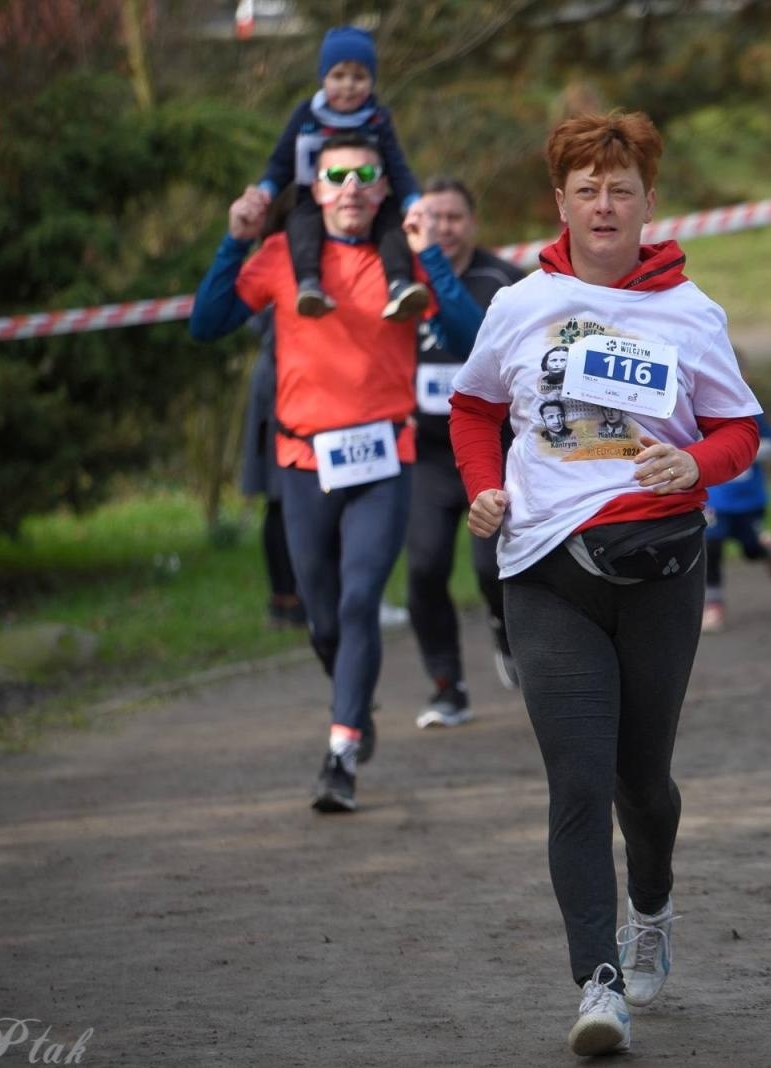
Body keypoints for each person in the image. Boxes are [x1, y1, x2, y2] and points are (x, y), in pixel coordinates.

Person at [449, 111, 761, 1057]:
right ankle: (599, 982)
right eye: (586, 189)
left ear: (647, 204)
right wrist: (486, 489)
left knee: (643, 783)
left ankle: (653, 900)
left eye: (620, 189)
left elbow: (738, 430)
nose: (604, 204)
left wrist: (695, 467)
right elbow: (472, 408)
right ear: (561, 204)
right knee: (578, 780)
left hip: (658, 565)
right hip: (544, 567)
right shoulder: (516, 305)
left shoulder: (689, 311)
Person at [191, 133, 465, 813]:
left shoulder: (402, 261)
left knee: (358, 598)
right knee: (321, 620)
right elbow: (206, 322)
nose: (350, 187)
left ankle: (340, 752)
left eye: (364, 175)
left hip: (382, 459)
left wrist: (429, 249)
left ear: (382, 189)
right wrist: (235, 241)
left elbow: (470, 335)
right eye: (336, 176)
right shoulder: (285, 257)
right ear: (316, 189)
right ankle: (354, 702)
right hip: (303, 463)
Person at [404, 176, 525, 729]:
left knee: (490, 567)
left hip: (492, 447)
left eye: (453, 218)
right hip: (427, 455)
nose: (443, 229)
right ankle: (447, 686)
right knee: (425, 568)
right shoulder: (395, 275)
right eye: (433, 218)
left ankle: (507, 630)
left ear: (473, 224)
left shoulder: (502, 281)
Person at [245, 26, 426, 321]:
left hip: (368, 200)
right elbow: (281, 162)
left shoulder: (378, 119)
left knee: (393, 224)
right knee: (301, 224)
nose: (348, 86)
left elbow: (396, 166)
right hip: (312, 196)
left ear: (371, 81)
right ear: (323, 78)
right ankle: (308, 284)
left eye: (359, 77)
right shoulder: (306, 115)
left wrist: (413, 201)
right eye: (339, 76)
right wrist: (266, 189)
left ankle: (398, 284)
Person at [238, 310, 307, 628]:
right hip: (283, 387)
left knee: (281, 499)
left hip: (284, 381)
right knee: (281, 498)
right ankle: (287, 598)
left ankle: (288, 598)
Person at [701, 408, 771, 633]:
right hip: (715, 497)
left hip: (749, 499)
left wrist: (740, 449)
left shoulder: (750, 411)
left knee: (750, 550)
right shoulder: (697, 406)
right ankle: (714, 605)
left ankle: (766, 549)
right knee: (712, 544)